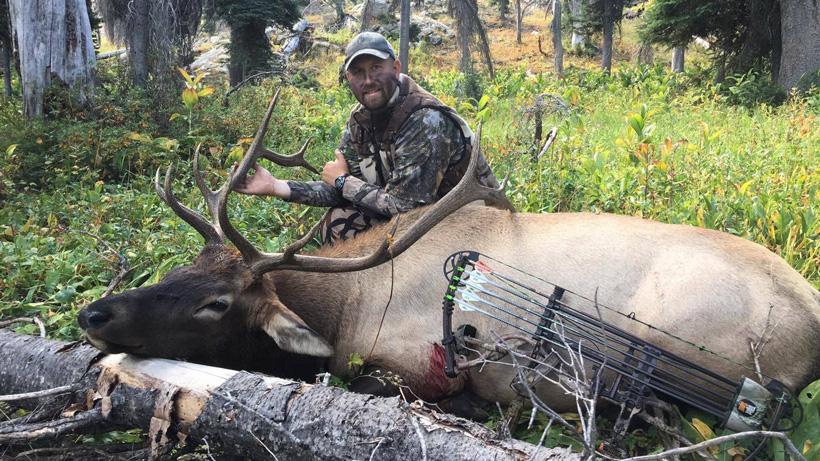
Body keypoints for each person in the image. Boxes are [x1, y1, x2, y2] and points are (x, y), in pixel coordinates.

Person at [235, 31, 500, 243]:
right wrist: (276, 186)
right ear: (348, 78)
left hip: (477, 228)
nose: (368, 80)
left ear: (396, 68)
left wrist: (342, 181)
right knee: (339, 222)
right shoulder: (359, 120)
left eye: (376, 67)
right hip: (425, 221)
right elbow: (345, 191)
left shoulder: (425, 120)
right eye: (358, 72)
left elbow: (406, 209)